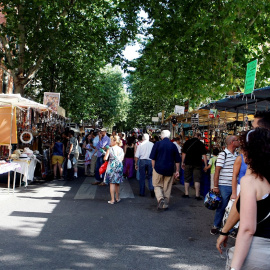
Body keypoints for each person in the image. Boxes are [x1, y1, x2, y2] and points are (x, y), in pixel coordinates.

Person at [218, 128, 270, 270]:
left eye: (243, 149)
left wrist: (234, 268)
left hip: (258, 254)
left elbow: (247, 229)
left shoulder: (251, 181)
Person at [210, 135, 240, 235]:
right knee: (222, 206)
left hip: (234, 185)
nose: (239, 142)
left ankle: (230, 228)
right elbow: (217, 171)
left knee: (233, 208)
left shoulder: (236, 155)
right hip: (224, 185)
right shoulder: (223, 154)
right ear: (232, 142)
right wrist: (216, 186)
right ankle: (216, 225)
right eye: (237, 140)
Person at [150, 130, 181, 210]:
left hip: (158, 168)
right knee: (167, 187)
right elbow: (177, 160)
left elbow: (153, 158)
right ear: (169, 136)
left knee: (157, 185)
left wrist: (153, 167)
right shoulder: (173, 145)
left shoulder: (157, 144)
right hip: (170, 169)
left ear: (161, 136)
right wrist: (177, 170)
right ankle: (165, 203)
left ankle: (160, 199)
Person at [181, 133, 208, 200]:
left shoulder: (187, 142)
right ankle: (197, 195)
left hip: (188, 162)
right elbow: (204, 155)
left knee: (187, 178)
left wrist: (182, 162)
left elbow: (184, 153)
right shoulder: (200, 143)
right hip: (197, 163)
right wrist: (206, 165)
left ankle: (186, 193)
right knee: (197, 179)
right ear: (199, 136)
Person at [104, 135, 124, 204]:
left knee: (112, 183)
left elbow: (105, 158)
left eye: (111, 141)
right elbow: (122, 159)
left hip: (112, 167)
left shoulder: (110, 149)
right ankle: (117, 198)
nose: (110, 142)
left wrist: (106, 153)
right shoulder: (121, 149)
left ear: (114, 141)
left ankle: (112, 200)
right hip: (119, 166)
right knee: (117, 183)